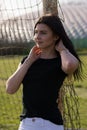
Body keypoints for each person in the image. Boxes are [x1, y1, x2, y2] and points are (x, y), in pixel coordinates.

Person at [6, 14, 82, 130]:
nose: (37, 36)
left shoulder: (61, 61)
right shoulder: (27, 61)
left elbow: (70, 66)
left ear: (56, 36)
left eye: (43, 33)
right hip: (28, 123)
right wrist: (29, 61)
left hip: (53, 124)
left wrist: (62, 49)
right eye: (36, 32)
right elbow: (10, 89)